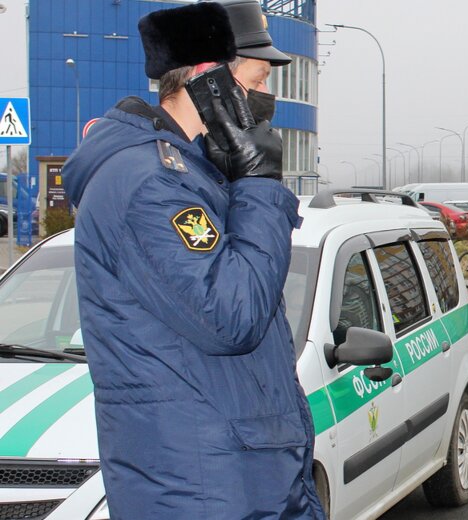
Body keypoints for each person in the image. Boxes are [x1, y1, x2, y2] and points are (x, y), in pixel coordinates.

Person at [61, 1, 326, 517]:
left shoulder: (191, 175)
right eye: (258, 77)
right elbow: (234, 316)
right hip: (202, 485)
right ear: (210, 80)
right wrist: (258, 187)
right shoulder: (152, 185)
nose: (267, 96)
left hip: (233, 471)